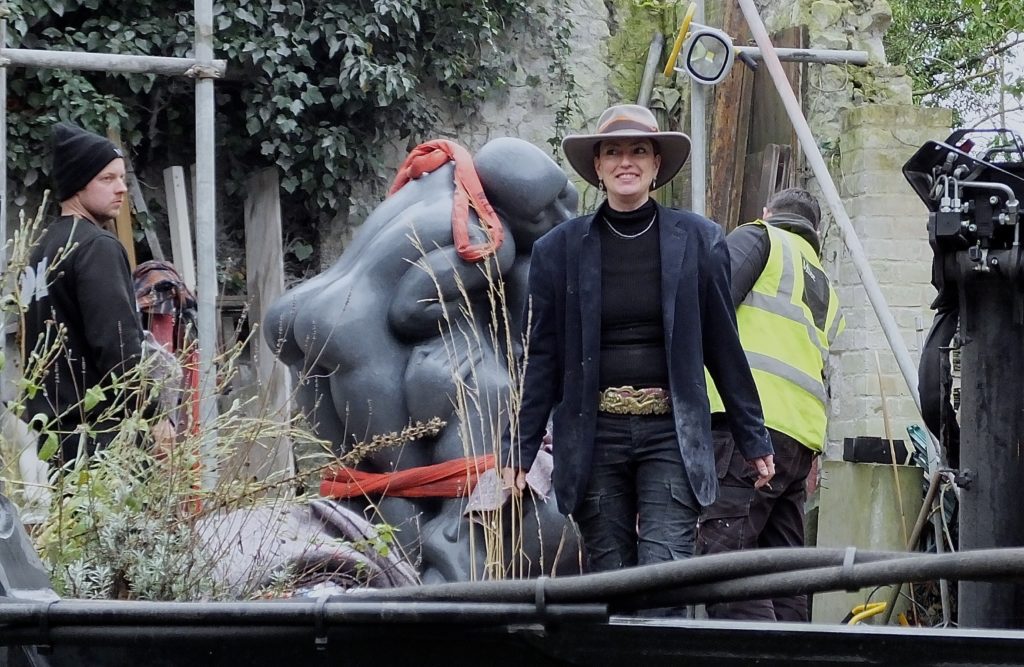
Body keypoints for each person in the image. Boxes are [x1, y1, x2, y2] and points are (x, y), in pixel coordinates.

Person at [500, 104, 775, 577]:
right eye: (613, 152)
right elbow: (539, 359)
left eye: (638, 151)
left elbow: (723, 347)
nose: (625, 161)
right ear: (599, 168)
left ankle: (663, 648)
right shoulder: (557, 251)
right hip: (592, 435)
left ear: (655, 166)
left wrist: (754, 437)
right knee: (612, 580)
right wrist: (518, 451)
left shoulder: (700, 240)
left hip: (671, 431)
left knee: (665, 577)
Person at [697, 187, 844, 622]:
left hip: (748, 431)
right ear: (816, 232)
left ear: (768, 212)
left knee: (729, 573)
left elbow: (709, 304)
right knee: (783, 578)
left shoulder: (760, 238)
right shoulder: (824, 287)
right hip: (799, 442)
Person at [20, 121, 146, 463]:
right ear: (77, 184)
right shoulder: (97, 246)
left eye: (122, 178)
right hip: (101, 437)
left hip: (54, 436)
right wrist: (150, 417)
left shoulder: (44, 249)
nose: (121, 189)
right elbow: (119, 345)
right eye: (107, 179)